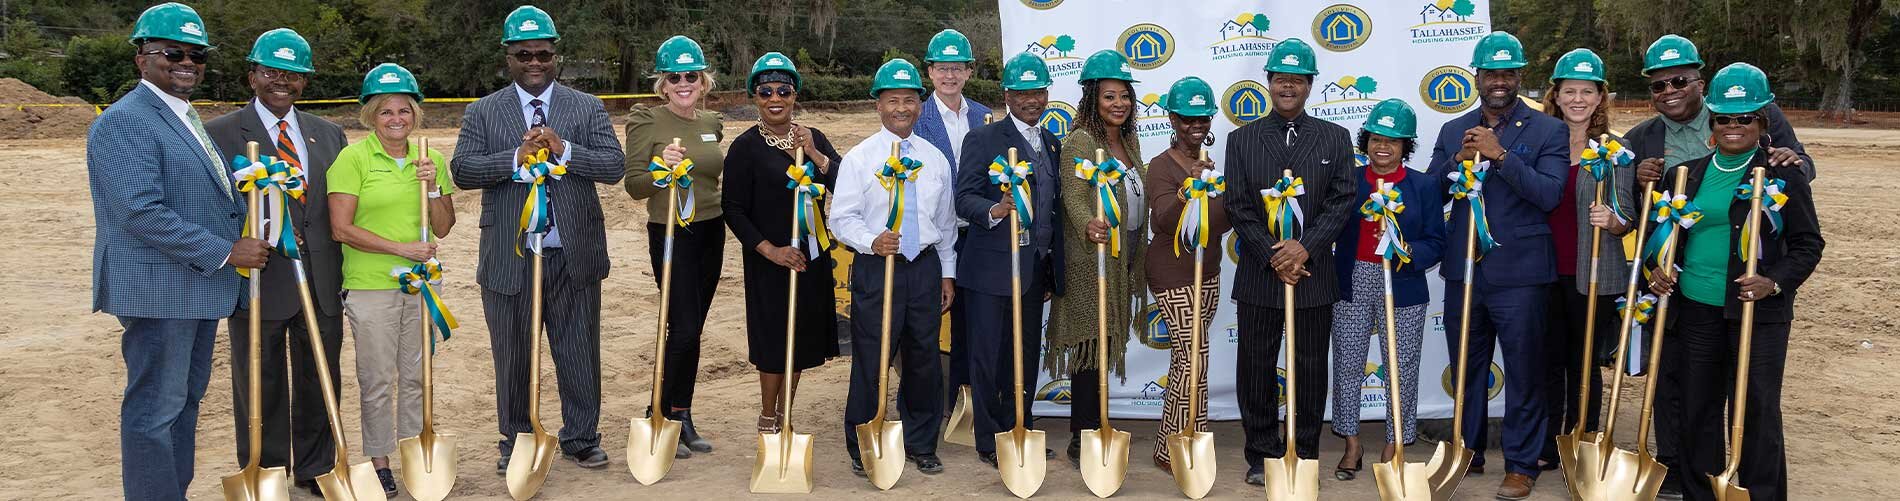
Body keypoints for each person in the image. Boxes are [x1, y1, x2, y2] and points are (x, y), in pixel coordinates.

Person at [1626, 35, 1814, 499]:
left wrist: (1774, 282)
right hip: (1696, 312)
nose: (1734, 126)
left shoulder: (1782, 174)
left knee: (1755, 411)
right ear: (1713, 122)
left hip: (1757, 313)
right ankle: (1699, 491)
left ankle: (1762, 493)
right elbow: (1662, 238)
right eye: (1724, 119)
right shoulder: (1685, 173)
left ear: (1762, 122)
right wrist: (1657, 268)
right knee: (1698, 410)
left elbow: (1809, 244)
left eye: (1744, 118)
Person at [89, 4, 262, 498]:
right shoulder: (126, 120)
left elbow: (198, 193)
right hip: (159, 291)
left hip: (193, 288)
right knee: (155, 410)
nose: (186, 61)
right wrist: (227, 251)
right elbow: (140, 211)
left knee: (183, 404)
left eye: (196, 54)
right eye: (172, 52)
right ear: (142, 58)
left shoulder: (183, 117)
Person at [451, 5, 627, 473]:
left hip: (573, 253)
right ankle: (516, 438)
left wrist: (564, 149)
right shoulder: (483, 111)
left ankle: (582, 436)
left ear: (556, 56)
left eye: (543, 54)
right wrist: (515, 157)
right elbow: (463, 170)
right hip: (510, 256)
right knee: (510, 354)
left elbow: (613, 167)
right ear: (508, 57)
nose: (534, 62)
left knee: (578, 350)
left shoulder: (585, 107)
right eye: (523, 54)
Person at [202, 27, 351, 498]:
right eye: (272, 72)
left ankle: (315, 467)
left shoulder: (329, 134)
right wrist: (232, 246)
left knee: (319, 377)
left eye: (293, 74)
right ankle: (265, 469)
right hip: (258, 279)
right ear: (253, 76)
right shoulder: (220, 134)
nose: (282, 82)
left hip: (321, 279)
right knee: (259, 382)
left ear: (305, 81)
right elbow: (209, 206)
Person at [1424, 31, 1569, 499]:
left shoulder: (1549, 129)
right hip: (1464, 273)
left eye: (1508, 73)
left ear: (1519, 76)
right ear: (1478, 77)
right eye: (1491, 74)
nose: (1499, 82)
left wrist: (1499, 155)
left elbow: (1549, 194)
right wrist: (1456, 161)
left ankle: (1522, 464)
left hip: (1522, 276)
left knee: (1525, 372)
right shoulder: (1453, 130)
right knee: (1467, 369)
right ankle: (1468, 453)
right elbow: (1430, 196)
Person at [1220, 38, 1357, 486]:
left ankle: (1305, 453)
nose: (1288, 88)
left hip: (1314, 276)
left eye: (1297, 81)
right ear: (1269, 82)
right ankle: (1261, 454)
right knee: (1256, 368)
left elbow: (1342, 201)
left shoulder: (1335, 138)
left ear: (1310, 85)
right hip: (1261, 275)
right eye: (1281, 80)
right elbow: (1238, 206)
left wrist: (1304, 248)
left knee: (1311, 370)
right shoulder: (1241, 139)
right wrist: (1275, 255)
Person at [325, 63, 455, 497]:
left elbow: (444, 226)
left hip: (421, 285)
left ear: (415, 114)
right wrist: (402, 250)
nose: (396, 119)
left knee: (417, 376)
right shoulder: (353, 159)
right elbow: (341, 229)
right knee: (378, 379)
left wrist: (433, 187)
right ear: (371, 116)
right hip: (371, 286)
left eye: (404, 110)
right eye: (386, 112)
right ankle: (379, 461)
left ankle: (413, 454)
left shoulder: (430, 158)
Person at [830, 58, 956, 476]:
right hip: (875, 268)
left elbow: (945, 223)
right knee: (871, 357)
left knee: (923, 357)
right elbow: (841, 218)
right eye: (892, 100)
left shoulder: (935, 159)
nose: (901, 108)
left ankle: (921, 443)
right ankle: (862, 442)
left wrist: (947, 272)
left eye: (909, 100)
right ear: (878, 106)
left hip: (923, 269)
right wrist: (872, 240)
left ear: (920, 105)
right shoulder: (860, 158)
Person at [953, 51, 1065, 469]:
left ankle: (1022, 425)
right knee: (987, 353)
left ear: (1047, 93)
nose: (1031, 100)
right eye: (1022, 93)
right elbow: (964, 197)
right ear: (1007, 95)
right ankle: (990, 437)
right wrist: (994, 210)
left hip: (1033, 268)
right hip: (989, 267)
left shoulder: (1052, 142)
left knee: (1026, 351)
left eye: (1037, 91)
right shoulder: (983, 139)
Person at [720, 52, 841, 435]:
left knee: (801, 340)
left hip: (810, 256)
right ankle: (767, 415)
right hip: (769, 261)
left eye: (784, 90)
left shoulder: (813, 138)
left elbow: (843, 183)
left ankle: (787, 413)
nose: (775, 98)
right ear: (755, 96)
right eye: (766, 91)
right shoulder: (745, 147)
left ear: (795, 96)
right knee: (774, 342)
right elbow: (733, 209)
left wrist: (817, 155)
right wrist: (770, 250)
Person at [1326, 99, 1445, 480]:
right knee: (1347, 363)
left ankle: (1395, 444)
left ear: (1405, 146)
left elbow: (1436, 241)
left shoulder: (1423, 185)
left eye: (1393, 141)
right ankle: (1352, 443)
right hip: (1353, 278)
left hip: (1403, 282)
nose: (1383, 147)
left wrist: (1409, 254)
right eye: (1377, 138)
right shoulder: (1349, 179)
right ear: (1366, 140)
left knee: (1402, 367)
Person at [1533, 48, 1637, 473]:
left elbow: (1628, 213)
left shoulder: (1615, 150)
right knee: (1547, 360)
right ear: (1555, 96)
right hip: (1542, 269)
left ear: (1600, 98)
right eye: (1569, 90)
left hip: (1592, 271)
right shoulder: (1539, 139)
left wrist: (1614, 221)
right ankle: (1546, 441)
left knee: (1584, 362)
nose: (1578, 99)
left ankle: (1582, 438)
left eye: (1588, 91)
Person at [623, 34, 727, 457]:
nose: (684, 83)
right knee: (680, 327)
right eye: (674, 77)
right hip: (669, 232)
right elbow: (633, 186)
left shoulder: (710, 123)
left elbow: (713, 178)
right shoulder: (646, 122)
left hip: (711, 231)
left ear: (703, 82)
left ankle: (681, 413)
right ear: (662, 84)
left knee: (693, 328)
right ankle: (659, 413)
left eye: (691, 76)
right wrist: (660, 170)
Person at [1049, 49, 1147, 465]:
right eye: (1110, 96)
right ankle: (1082, 434)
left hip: (1121, 260)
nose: (1119, 104)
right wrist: (1089, 222)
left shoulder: (1127, 141)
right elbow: (1073, 194)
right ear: (1092, 98)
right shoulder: (1079, 141)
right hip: (1091, 262)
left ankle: (1097, 423)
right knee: (1090, 347)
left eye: (1124, 96)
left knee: (1105, 343)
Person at [1142, 76, 1226, 471]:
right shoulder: (1160, 165)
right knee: (1194, 358)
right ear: (1172, 120)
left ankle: (1175, 442)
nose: (1197, 124)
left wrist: (1213, 189)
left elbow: (1221, 223)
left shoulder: (1212, 166)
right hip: (1172, 272)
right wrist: (1189, 187)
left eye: (1204, 117)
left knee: (1188, 359)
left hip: (1207, 272)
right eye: (1188, 117)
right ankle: (1181, 440)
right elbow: (1163, 219)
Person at [912, 28, 992, 415]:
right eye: (942, 68)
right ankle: (926, 409)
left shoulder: (984, 116)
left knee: (972, 325)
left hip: (976, 235)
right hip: (934, 236)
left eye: (956, 68)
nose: (949, 76)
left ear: (969, 72)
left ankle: (966, 407)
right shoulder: (916, 116)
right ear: (930, 72)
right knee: (925, 326)